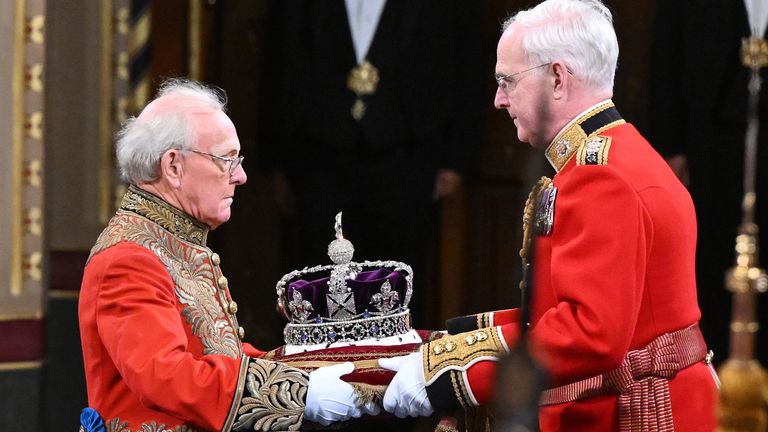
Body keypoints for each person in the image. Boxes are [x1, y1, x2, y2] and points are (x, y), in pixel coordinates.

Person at [378, 0, 720, 430]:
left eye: (507, 81)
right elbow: (553, 312)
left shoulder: (601, 177)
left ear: (557, 78)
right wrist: (444, 346)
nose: (498, 100)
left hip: (640, 414)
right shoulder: (615, 156)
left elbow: (589, 334)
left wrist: (448, 379)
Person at [78, 79, 377, 431]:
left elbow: (223, 357)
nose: (241, 176)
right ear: (173, 166)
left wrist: (328, 367)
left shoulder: (173, 240)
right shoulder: (127, 259)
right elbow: (167, 377)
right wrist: (301, 394)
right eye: (227, 160)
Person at [258, 0, 484, 327]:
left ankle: (395, 366)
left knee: (399, 277)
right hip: (320, 154)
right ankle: (318, 369)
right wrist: (275, 158)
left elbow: (466, 60)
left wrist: (457, 158)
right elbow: (279, 57)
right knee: (320, 272)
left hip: (408, 152)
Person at [646, 0, 768, 366]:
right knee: (708, 257)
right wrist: (670, 146)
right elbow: (667, 53)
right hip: (709, 130)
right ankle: (710, 376)